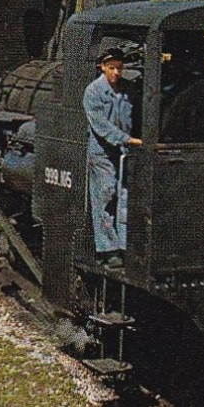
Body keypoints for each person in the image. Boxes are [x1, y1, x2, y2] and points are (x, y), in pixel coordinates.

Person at [84, 47, 140, 268]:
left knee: (124, 196)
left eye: (119, 68)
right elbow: (100, 126)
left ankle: (124, 245)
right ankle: (108, 250)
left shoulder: (127, 90)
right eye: (112, 68)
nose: (116, 73)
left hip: (124, 153)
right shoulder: (93, 91)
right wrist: (129, 139)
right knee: (106, 196)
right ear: (102, 67)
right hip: (102, 153)